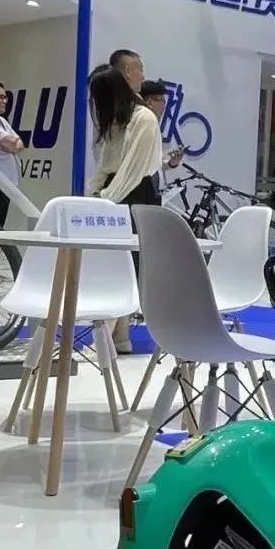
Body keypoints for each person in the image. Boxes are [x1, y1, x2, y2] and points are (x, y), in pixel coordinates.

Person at [86, 64, 164, 353]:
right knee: (117, 265)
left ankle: (106, 337)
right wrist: (93, 193)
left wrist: (105, 200)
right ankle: (120, 336)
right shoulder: (117, 120)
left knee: (124, 267)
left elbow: (132, 171)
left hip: (135, 196)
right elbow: (106, 164)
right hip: (115, 195)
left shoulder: (144, 118)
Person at [139, 80, 185, 179]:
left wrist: (171, 163)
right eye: (162, 101)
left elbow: (155, 165)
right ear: (150, 102)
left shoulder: (154, 128)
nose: (164, 106)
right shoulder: (141, 127)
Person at [0, 80, 24, 227]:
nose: (5, 101)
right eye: (0, 97)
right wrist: (12, 145)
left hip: (4, 185)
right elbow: (13, 144)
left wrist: (11, 145)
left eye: (5, 97)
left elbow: (20, 144)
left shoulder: (1, 121)